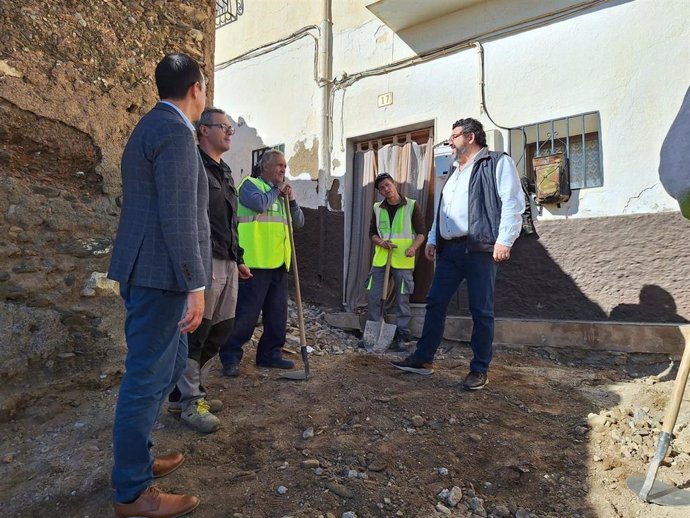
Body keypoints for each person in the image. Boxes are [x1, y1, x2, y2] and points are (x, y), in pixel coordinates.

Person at [107, 53, 210, 517]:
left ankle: (139, 456)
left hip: (150, 272)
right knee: (147, 379)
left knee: (171, 366)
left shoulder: (151, 126)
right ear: (196, 89)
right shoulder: (173, 131)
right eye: (204, 88)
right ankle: (132, 492)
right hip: (160, 276)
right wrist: (196, 284)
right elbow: (178, 215)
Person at [392, 118, 525, 391]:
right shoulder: (453, 171)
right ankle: (424, 359)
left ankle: (479, 369)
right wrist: (432, 238)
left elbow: (512, 202)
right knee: (435, 302)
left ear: (471, 137)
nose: (450, 142)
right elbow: (444, 211)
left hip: (481, 247)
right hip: (449, 250)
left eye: (454, 137)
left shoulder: (497, 163)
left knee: (481, 309)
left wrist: (505, 240)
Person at [166, 107, 252, 433]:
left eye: (231, 128)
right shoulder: (194, 166)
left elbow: (229, 221)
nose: (230, 132)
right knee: (197, 333)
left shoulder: (225, 171)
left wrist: (239, 257)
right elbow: (190, 220)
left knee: (221, 331)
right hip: (205, 261)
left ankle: (180, 393)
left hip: (227, 261)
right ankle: (190, 402)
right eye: (224, 127)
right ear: (204, 130)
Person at [219, 149, 304, 376]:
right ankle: (230, 356)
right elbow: (258, 205)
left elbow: (299, 223)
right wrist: (277, 190)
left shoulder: (280, 194)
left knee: (277, 315)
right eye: (279, 165)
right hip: (254, 263)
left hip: (278, 263)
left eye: (285, 166)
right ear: (264, 166)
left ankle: (270, 354)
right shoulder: (249, 185)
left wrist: (293, 200)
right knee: (246, 315)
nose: (283, 170)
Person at [366, 172, 426, 350]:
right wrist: (381, 242)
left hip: (403, 259)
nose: (386, 189)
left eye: (387, 185)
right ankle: (373, 333)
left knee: (402, 299)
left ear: (394, 184)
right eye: (382, 188)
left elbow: (422, 232)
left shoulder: (411, 206)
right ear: (380, 192)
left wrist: (414, 248)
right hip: (382, 258)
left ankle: (402, 335)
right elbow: (372, 233)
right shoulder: (377, 208)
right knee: (374, 296)